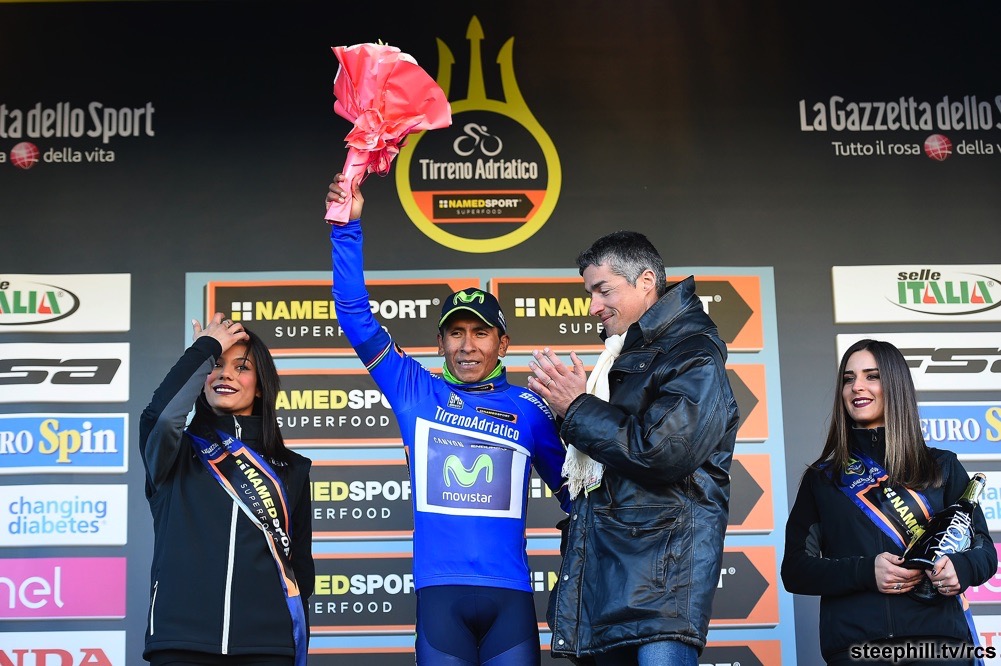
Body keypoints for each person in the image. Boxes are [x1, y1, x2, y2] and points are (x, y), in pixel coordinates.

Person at [325, 174, 570, 666]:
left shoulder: (530, 408)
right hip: (440, 596)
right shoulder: (415, 390)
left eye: (481, 333)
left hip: (511, 596)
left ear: (503, 344)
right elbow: (354, 315)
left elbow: (578, 496)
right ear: (440, 343)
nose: (467, 345)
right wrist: (345, 229)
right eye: (455, 332)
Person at [528, 231, 739, 666]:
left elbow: (661, 453)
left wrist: (578, 407)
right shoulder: (622, 355)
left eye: (603, 290)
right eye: (589, 294)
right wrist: (571, 413)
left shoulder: (694, 354)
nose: (593, 307)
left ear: (645, 281)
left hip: (660, 593)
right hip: (611, 584)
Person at [782, 338, 996, 665]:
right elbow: (796, 570)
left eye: (872, 376)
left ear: (895, 385)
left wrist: (962, 568)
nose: (857, 386)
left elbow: (983, 550)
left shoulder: (942, 466)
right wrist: (865, 571)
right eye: (849, 379)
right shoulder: (823, 479)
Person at [139, 313, 314, 666]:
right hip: (181, 642)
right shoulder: (174, 453)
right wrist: (204, 349)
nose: (225, 374)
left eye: (242, 367)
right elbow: (162, 417)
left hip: (268, 647)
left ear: (260, 385)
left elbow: (300, 571)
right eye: (216, 365)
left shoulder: (292, 469)